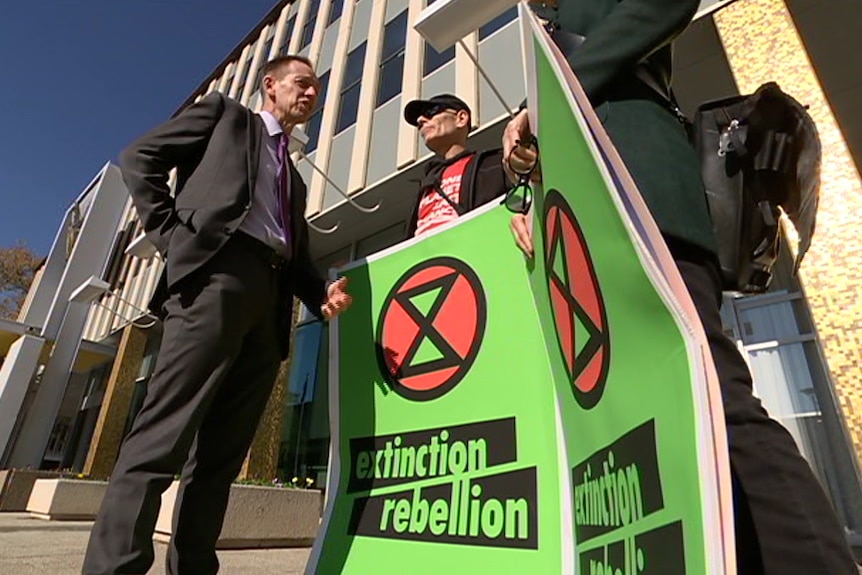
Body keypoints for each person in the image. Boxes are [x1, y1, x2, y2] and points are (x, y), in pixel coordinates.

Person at [504, 1, 858, 573]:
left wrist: (549, 101)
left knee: (714, 397)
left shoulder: (574, 52)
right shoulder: (548, 26)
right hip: (582, 226)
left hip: (644, 197)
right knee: (652, 422)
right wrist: (526, 167)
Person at [82, 55, 352, 575]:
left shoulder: (292, 178)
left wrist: (320, 294)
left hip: (269, 301)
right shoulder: (224, 116)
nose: (311, 93)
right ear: (269, 86)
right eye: (303, 83)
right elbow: (141, 157)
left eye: (316, 87)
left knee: (220, 459)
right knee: (161, 438)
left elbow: (298, 258)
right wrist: (173, 237)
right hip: (214, 282)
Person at [402, 94, 509, 238]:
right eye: (419, 120)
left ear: (461, 118)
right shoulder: (426, 184)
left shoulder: (495, 163)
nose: (420, 120)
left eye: (430, 112)